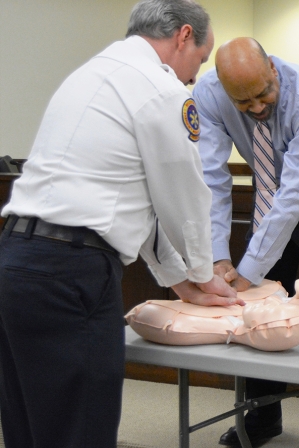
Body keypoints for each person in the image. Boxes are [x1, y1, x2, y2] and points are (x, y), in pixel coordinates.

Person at [0, 1, 240, 447]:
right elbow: (185, 197)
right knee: (81, 428)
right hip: (72, 273)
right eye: (200, 62)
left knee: (30, 427)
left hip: (15, 262)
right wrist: (204, 275)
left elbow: (134, 200)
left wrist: (179, 281)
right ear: (183, 36)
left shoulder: (89, 75)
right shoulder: (162, 89)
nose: (193, 77)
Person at [193, 37, 299, 448]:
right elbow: (212, 180)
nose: (255, 108)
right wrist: (218, 257)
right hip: (268, 184)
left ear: (272, 67)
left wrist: (249, 270)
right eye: (243, 101)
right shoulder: (208, 94)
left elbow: (295, 194)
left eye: (263, 93)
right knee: (259, 307)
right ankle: (263, 418)